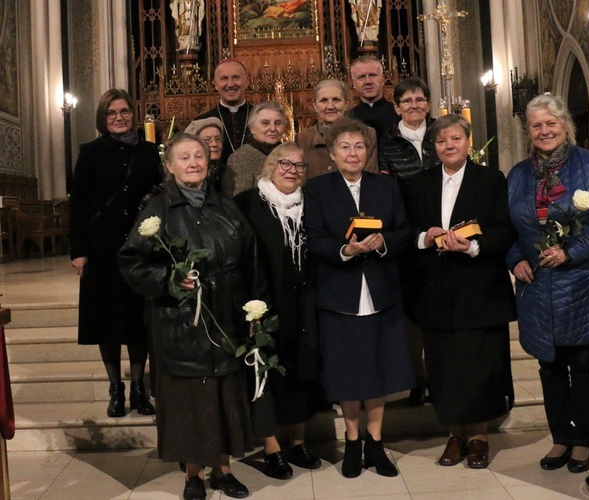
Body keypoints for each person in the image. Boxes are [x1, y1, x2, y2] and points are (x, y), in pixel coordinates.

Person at [119, 133, 255, 500]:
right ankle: (193, 475)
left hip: (226, 317)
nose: (193, 162)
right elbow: (131, 262)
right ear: (169, 166)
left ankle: (223, 469)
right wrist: (170, 280)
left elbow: (249, 258)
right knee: (190, 402)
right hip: (180, 322)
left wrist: (253, 309)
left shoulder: (227, 206)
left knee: (225, 397)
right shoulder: (157, 208)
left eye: (199, 155)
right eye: (184, 157)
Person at [506, 94, 589, 474]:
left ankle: (583, 439)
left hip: (581, 286)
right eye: (536, 125)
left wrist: (569, 252)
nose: (544, 131)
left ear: (565, 126)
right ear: (529, 132)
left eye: (550, 124)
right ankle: (560, 437)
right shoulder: (519, 174)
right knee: (549, 367)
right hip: (537, 288)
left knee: (583, 365)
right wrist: (516, 259)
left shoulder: (588, 165)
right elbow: (504, 228)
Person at [304, 118, 414, 478]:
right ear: (332, 155)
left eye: (359, 147)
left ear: (367, 153)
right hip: (339, 292)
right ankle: (352, 443)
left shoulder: (387, 187)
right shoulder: (318, 189)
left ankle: (376, 443)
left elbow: (404, 231)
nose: (353, 153)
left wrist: (384, 243)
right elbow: (314, 238)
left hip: (381, 290)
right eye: (345, 147)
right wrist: (345, 249)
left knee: (379, 368)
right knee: (348, 372)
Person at [406, 114, 515, 470]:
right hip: (435, 291)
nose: (448, 146)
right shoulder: (418, 183)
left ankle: (479, 437)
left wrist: (471, 247)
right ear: (433, 147)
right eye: (441, 141)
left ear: (468, 142)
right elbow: (405, 231)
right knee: (444, 368)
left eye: (455, 139)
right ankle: (454, 435)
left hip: (479, 289)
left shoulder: (491, 180)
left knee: (479, 366)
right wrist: (424, 237)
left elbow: (503, 230)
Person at [69, 88, 162, 419]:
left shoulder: (149, 152)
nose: (119, 118)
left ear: (132, 115)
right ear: (102, 118)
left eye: (124, 111)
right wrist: (79, 252)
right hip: (101, 248)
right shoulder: (90, 152)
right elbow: (78, 204)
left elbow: (159, 194)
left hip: (141, 248)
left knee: (138, 320)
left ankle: (139, 388)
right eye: (112, 113)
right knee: (105, 320)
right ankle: (115, 389)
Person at [234, 142, 322, 479]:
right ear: (270, 166)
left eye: (300, 166)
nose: (292, 170)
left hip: (304, 302)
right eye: (285, 163)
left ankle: (297, 440)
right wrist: (249, 310)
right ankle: (271, 446)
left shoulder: (311, 204)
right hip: (264, 303)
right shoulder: (247, 203)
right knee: (266, 375)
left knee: (301, 370)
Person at [377, 77, 438, 406]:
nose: (414, 106)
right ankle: (416, 382)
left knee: (439, 311)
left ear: (428, 103)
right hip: (406, 234)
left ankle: (441, 380)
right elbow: (387, 190)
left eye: (420, 100)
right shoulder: (386, 141)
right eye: (407, 101)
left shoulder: (442, 132)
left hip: (444, 229)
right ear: (397, 106)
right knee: (412, 315)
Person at [296, 79, 378, 179]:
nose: (330, 106)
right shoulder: (303, 139)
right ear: (315, 105)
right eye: (324, 101)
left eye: (336, 100)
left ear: (346, 103)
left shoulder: (367, 134)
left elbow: (370, 177)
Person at [223, 101, 287, 197]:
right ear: (252, 127)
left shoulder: (288, 155)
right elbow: (237, 202)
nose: (273, 128)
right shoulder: (240, 158)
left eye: (278, 123)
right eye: (265, 123)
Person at [195, 59, 253, 165]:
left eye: (236, 77)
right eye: (224, 79)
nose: (230, 84)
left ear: (247, 81)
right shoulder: (202, 122)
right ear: (215, 84)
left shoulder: (262, 118)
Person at [347, 55, 398, 146]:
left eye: (372, 75)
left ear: (383, 79)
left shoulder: (397, 113)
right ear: (353, 83)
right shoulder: (348, 118)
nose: (368, 81)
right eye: (362, 77)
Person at [185, 116, 225, 191]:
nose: (214, 144)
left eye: (218, 139)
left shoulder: (226, 172)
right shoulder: (188, 175)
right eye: (207, 140)